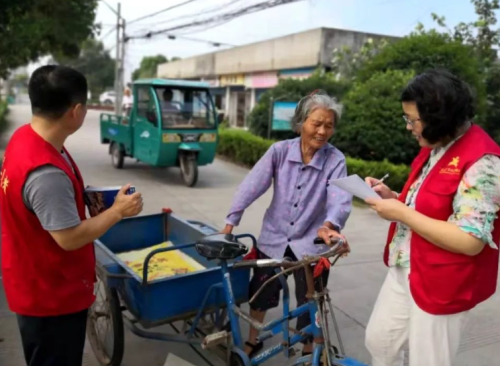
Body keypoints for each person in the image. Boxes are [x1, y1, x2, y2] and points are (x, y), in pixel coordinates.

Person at [0, 65, 144, 366]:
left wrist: (88, 201)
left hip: (31, 277)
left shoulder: (26, 137)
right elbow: (69, 238)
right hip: (50, 297)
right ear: (76, 111)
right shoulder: (46, 173)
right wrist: (118, 211)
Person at [364, 68, 500, 366]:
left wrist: (401, 213)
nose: (409, 127)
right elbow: (428, 204)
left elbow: (470, 240)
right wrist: (395, 198)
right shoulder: (435, 146)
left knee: (429, 361)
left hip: (443, 280)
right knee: (380, 341)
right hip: (406, 266)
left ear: (439, 119)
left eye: (413, 120)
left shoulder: (484, 162)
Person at [221, 90, 352, 357]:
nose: (322, 131)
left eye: (329, 125)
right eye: (316, 123)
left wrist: (330, 225)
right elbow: (251, 186)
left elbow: (339, 197)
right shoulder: (279, 151)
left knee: (310, 298)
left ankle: (307, 349)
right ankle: (253, 338)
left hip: (311, 243)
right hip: (275, 237)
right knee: (261, 290)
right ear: (301, 123)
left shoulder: (335, 159)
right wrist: (231, 221)